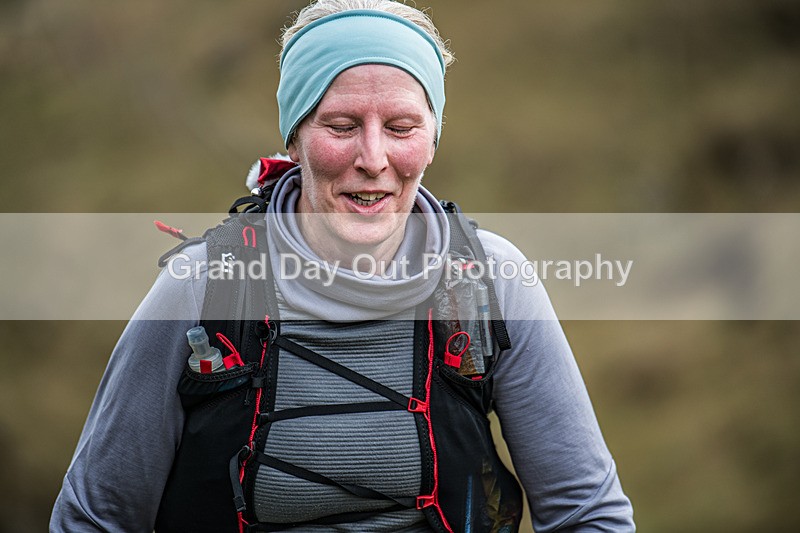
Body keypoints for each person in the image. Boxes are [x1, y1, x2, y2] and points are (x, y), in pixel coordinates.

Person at [51, 1, 635, 531]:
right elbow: (94, 518)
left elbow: (588, 514)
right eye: (341, 127)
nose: (373, 158)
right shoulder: (203, 286)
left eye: (402, 128)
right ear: (295, 138)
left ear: (433, 141)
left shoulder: (491, 282)